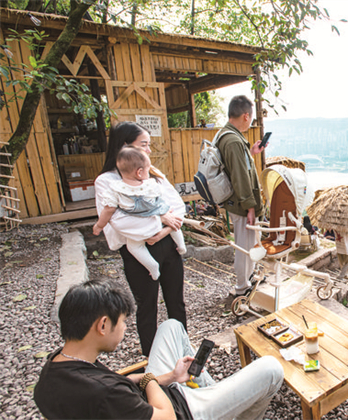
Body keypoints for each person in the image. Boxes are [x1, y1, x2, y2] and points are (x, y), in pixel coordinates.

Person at [34, 279, 283, 420]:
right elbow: (166, 417)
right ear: (102, 325)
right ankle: (222, 405)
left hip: (161, 393)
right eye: (122, 322)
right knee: (272, 368)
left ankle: (215, 393)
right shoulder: (106, 394)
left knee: (171, 326)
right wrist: (152, 380)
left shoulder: (56, 368)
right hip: (183, 412)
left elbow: (122, 383)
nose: (125, 329)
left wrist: (171, 377)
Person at [95, 121, 186, 357]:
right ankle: (154, 359)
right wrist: (161, 218)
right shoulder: (107, 181)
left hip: (168, 244)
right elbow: (120, 223)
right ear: (125, 147)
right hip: (138, 252)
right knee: (147, 308)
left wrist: (165, 229)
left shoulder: (152, 173)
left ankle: (183, 349)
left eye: (149, 145)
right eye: (143, 145)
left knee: (176, 301)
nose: (148, 150)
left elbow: (178, 207)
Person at [93, 147, 186, 280]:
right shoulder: (150, 184)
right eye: (148, 170)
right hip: (158, 219)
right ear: (139, 172)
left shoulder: (115, 188)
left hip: (138, 230)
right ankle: (181, 246)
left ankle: (152, 267)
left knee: (134, 247)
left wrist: (99, 226)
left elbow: (108, 210)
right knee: (172, 219)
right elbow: (164, 199)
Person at [217, 95, 266, 296]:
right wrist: (250, 207)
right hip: (241, 204)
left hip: (239, 202)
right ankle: (241, 288)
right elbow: (239, 176)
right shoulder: (233, 141)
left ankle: (250, 279)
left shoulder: (227, 135)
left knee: (249, 244)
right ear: (246, 116)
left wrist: (252, 152)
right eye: (251, 118)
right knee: (244, 249)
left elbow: (237, 166)